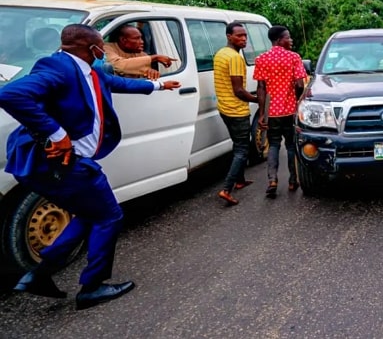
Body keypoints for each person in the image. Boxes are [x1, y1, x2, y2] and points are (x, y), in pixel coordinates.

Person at [0, 24, 181, 310]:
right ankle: (92, 288)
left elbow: (118, 83)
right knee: (109, 216)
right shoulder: (57, 68)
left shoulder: (91, 70)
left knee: (89, 214)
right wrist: (57, 134)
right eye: (100, 47)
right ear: (90, 47)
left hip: (69, 165)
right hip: (62, 164)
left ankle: (39, 274)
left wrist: (159, 84)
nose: (103, 53)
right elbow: (11, 95)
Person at [254, 25, 307, 197]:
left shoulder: (261, 59)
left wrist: (262, 113)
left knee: (274, 145)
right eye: (288, 37)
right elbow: (300, 84)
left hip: (272, 113)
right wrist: (297, 101)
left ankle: (272, 180)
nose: (291, 40)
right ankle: (293, 180)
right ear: (279, 40)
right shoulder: (294, 57)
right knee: (291, 145)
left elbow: (260, 87)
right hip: (290, 111)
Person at [213, 22, 258, 206]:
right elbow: (239, 90)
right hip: (237, 110)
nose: (243, 39)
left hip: (224, 108)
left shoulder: (220, 54)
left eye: (245, 35)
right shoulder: (235, 58)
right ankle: (226, 189)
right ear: (229, 36)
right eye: (239, 36)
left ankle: (240, 180)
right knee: (242, 149)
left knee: (238, 144)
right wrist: (258, 100)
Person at [104, 24, 176, 80]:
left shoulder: (142, 55)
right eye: (137, 38)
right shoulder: (107, 48)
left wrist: (151, 73)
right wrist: (154, 58)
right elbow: (118, 65)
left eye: (141, 38)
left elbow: (145, 72)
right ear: (123, 40)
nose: (142, 42)